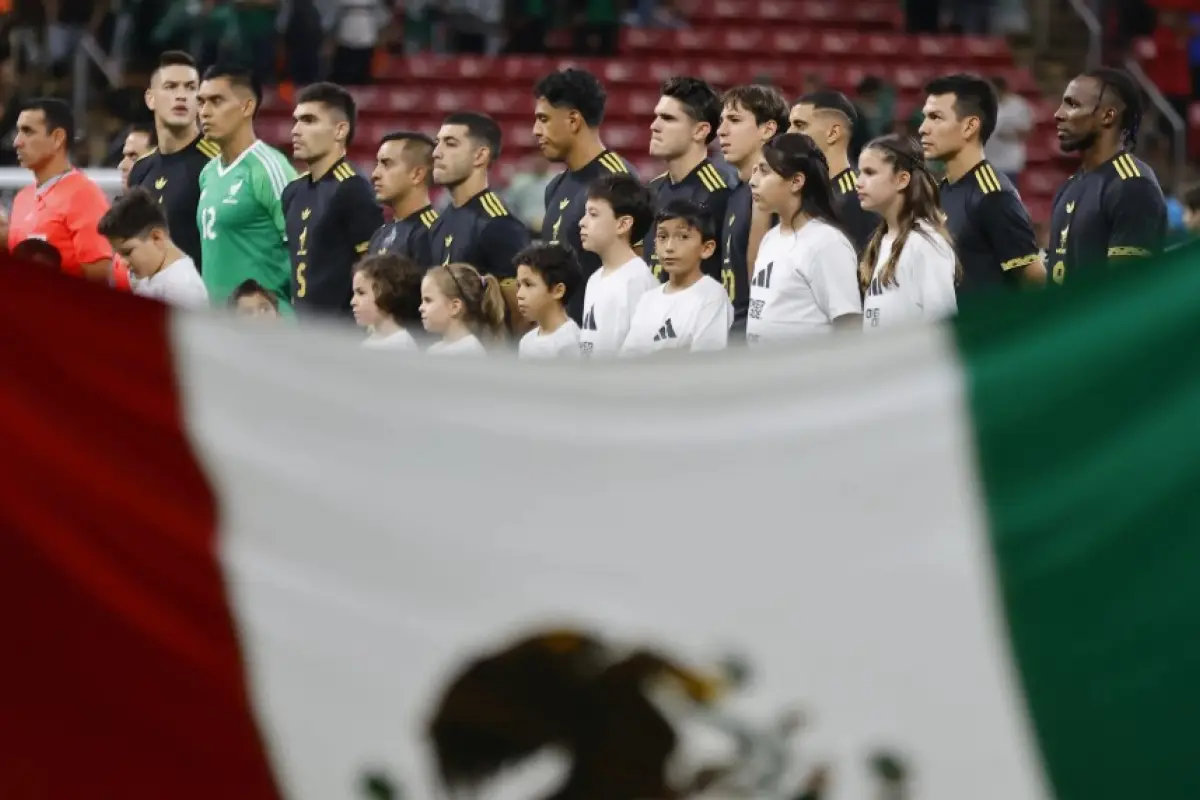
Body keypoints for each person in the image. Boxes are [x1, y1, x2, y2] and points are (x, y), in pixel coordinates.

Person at [919, 74, 1045, 294]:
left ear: (969, 127)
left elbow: (1034, 280)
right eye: (925, 117)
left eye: (936, 117)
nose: (923, 128)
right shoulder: (941, 190)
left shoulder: (993, 196)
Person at [533, 67, 637, 321]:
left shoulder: (617, 180)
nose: (535, 130)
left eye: (543, 119)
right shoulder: (555, 187)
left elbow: (638, 271)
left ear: (573, 121)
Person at [1048, 68, 1167, 284]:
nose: (1058, 114)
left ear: (1107, 115)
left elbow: (1125, 293)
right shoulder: (1071, 185)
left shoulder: (1132, 185)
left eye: (1072, 104)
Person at [196, 63, 298, 309]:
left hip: (264, 327)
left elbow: (304, 249)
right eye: (201, 102)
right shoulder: (208, 172)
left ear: (246, 106)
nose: (204, 112)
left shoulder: (269, 168)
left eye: (216, 101)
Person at [746, 133, 861, 343]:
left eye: (764, 171)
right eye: (755, 171)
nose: (753, 182)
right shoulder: (770, 238)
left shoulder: (827, 243)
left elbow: (849, 326)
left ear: (796, 181)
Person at [282, 82, 383, 320]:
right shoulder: (292, 192)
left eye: (309, 120)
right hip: (301, 332)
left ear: (340, 131)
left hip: (340, 336)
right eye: (296, 120)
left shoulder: (352, 189)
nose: (295, 130)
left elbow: (374, 270)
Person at [428, 111, 530, 329]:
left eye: (450, 144)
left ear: (480, 156)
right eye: (437, 143)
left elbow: (521, 315)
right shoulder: (439, 222)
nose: (436, 153)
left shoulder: (497, 224)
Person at [128, 51, 222, 273]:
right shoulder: (141, 169)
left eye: (190, 88)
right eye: (171, 87)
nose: (181, 96)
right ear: (150, 99)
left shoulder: (217, 163)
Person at [855, 134, 959, 329]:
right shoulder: (879, 242)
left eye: (869, 173)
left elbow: (943, 324)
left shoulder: (925, 243)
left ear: (902, 179)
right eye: (860, 172)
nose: (858, 182)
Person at [7, 98, 113, 282]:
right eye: (18, 131)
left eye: (27, 131)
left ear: (57, 138)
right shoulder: (22, 198)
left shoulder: (84, 196)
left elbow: (100, 279)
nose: (17, 142)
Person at [644, 76, 733, 281]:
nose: (654, 126)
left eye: (667, 118)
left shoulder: (720, 194)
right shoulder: (652, 190)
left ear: (700, 131)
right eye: (656, 116)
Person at [716, 84, 789, 335]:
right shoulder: (736, 192)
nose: (721, 131)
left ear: (767, 129)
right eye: (721, 120)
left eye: (734, 120)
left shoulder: (778, 194)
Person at [622, 199, 733, 355]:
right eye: (662, 237)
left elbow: (705, 362)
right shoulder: (648, 299)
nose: (669, 247)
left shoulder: (712, 295)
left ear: (706, 248)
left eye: (683, 237)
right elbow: (629, 357)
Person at [788, 90, 880, 254]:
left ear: (833, 133)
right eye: (790, 125)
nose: (789, 133)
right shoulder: (810, 192)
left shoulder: (857, 198)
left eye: (800, 125)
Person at [578, 173, 658, 356]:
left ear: (623, 224)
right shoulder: (594, 279)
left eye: (593, 214)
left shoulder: (637, 281)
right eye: (585, 213)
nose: (582, 222)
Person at [97, 187, 208, 308]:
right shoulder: (150, 274)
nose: (123, 263)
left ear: (156, 237)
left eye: (127, 252)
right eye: (118, 254)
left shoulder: (182, 289)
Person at [368, 131, 438, 263]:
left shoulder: (433, 233)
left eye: (386, 164)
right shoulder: (380, 234)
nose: (375, 174)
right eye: (377, 164)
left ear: (417, 174)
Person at [420, 262, 508, 356]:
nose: (420, 308)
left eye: (428, 300)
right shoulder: (435, 349)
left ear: (454, 307)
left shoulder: (469, 353)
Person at [514, 244, 584, 359]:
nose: (519, 294)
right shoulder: (526, 341)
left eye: (528, 284)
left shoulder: (570, 343)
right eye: (518, 285)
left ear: (558, 291)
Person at [352, 253, 424, 350]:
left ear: (388, 292)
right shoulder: (367, 344)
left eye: (361, 293)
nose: (353, 302)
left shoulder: (401, 345)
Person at [985, 76, 1033, 186]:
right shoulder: (983, 105)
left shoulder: (1018, 105)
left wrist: (1010, 135)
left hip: (1009, 163)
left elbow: (1028, 131)